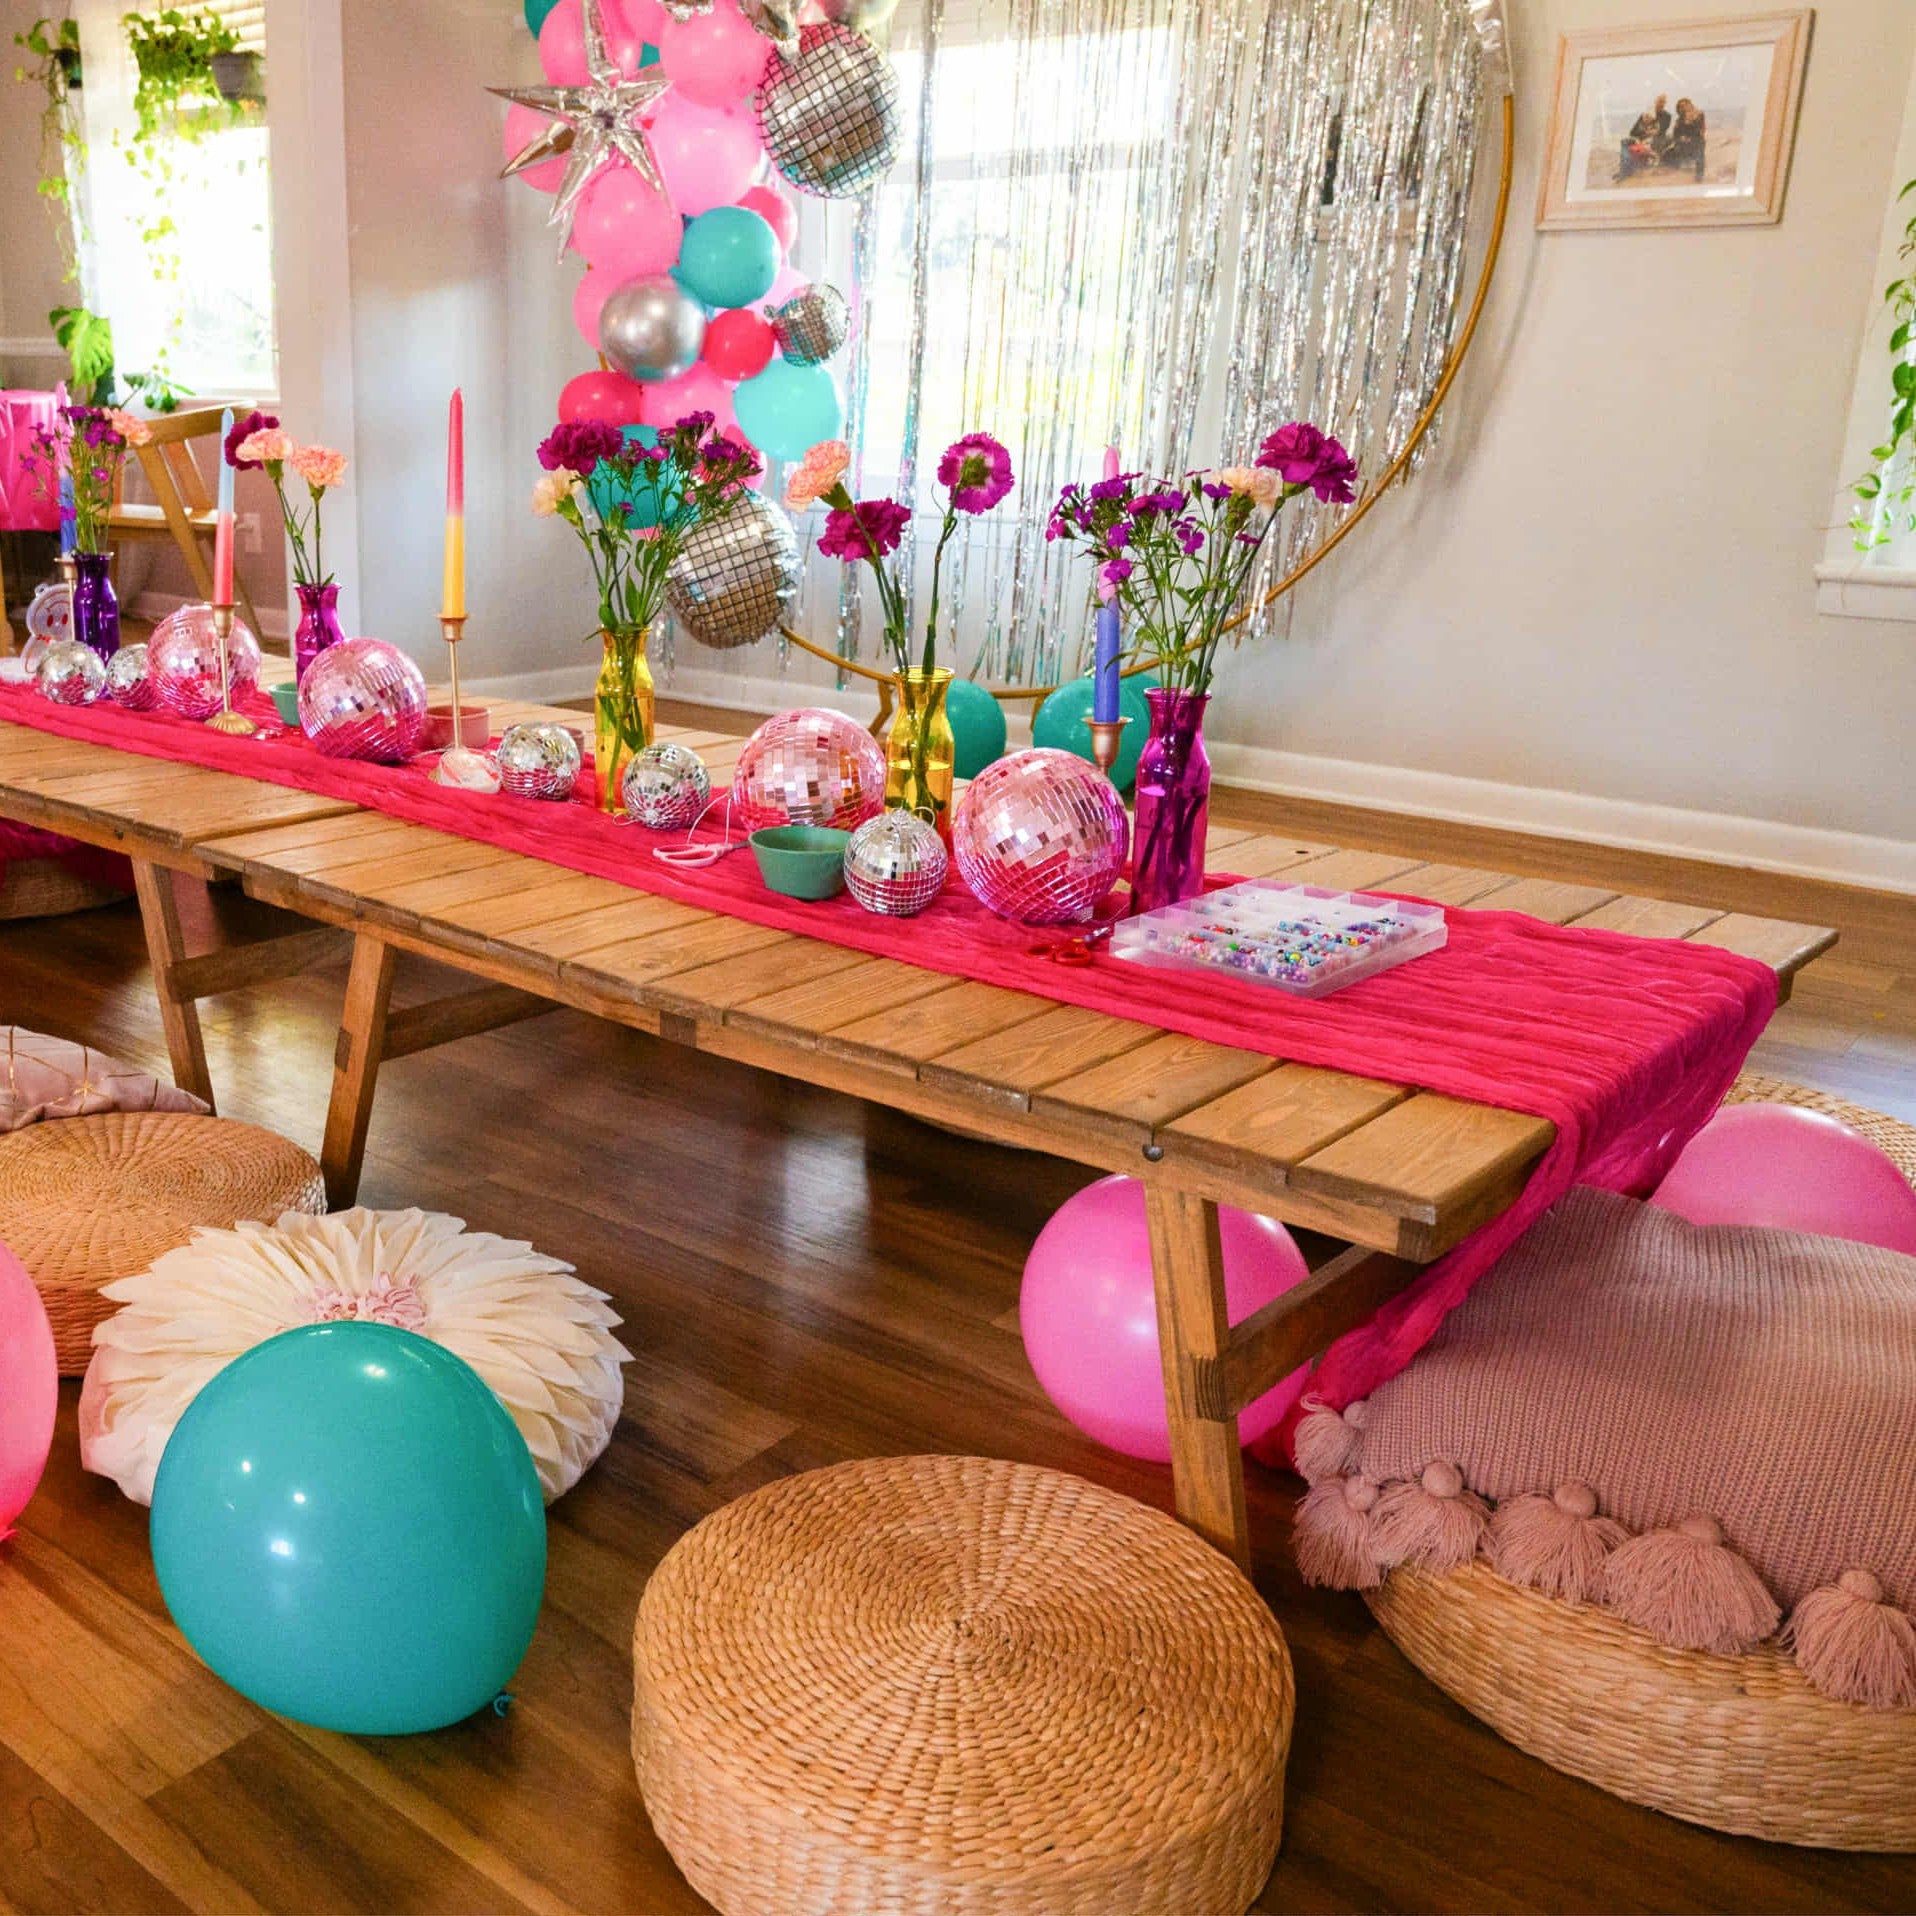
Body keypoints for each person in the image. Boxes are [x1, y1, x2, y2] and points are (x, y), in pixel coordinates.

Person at [1617, 94, 1671, 181]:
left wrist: (1647, 133)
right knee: (1624, 141)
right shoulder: (1645, 114)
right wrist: (1641, 134)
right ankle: (1624, 168)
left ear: (1665, 103)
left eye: (1662, 102)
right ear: (1655, 101)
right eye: (1658, 101)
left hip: (1655, 140)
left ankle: (1625, 171)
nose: (1660, 103)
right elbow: (1633, 132)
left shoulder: (1667, 116)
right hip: (1640, 139)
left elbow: (1661, 131)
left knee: (1648, 145)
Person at [1665, 97, 1707, 182]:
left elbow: (1701, 131)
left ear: (1690, 105)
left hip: (1697, 142)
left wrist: (1691, 120)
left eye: (1685, 105)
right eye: (1680, 106)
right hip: (1682, 144)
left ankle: (1699, 177)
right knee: (1667, 154)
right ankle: (1677, 171)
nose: (1683, 108)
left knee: (1699, 154)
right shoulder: (1679, 120)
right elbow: (1675, 134)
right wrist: (1681, 138)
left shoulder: (1699, 115)